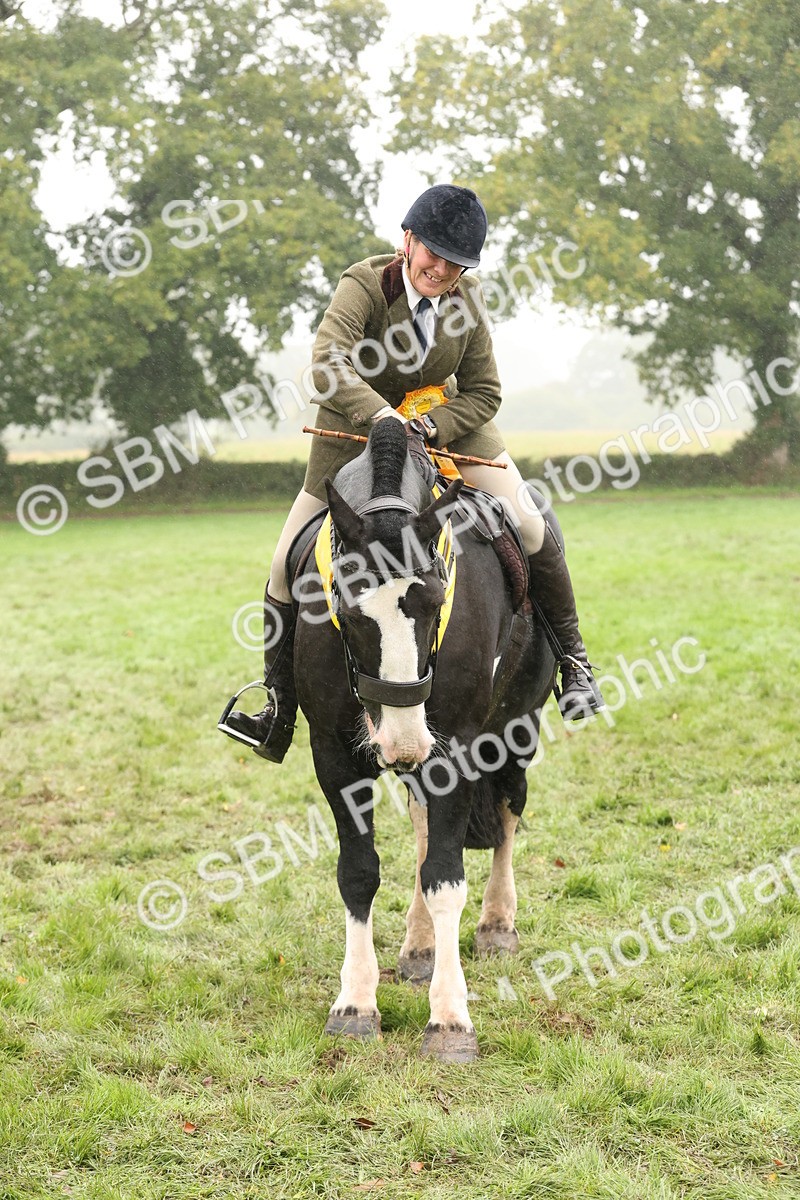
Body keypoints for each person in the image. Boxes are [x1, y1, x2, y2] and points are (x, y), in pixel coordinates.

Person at [221, 184, 604, 762]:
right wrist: (383, 417)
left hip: (445, 432)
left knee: (529, 523)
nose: (442, 270)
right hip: (355, 434)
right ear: (408, 241)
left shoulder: (467, 298)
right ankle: (276, 707)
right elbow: (327, 364)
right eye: (433, 254)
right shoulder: (363, 284)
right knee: (282, 565)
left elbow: (485, 392)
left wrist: (432, 425)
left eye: (457, 263)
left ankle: (574, 662)